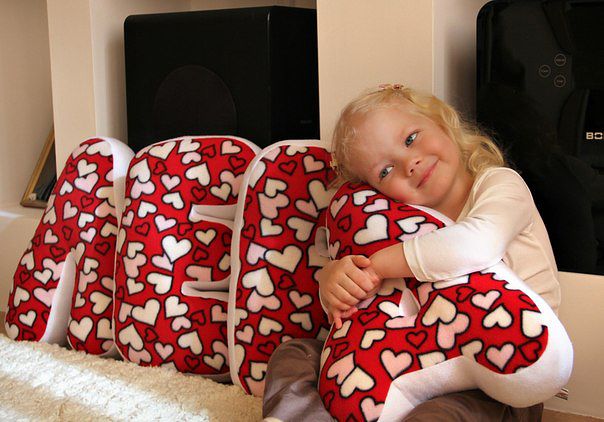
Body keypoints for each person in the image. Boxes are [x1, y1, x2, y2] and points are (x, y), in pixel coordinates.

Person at [262, 84, 558, 421]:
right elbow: (359, 297)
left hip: (502, 359)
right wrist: (332, 281)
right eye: (385, 171)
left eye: (410, 139)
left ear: (442, 122)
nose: (409, 164)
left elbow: (476, 244)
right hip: (410, 348)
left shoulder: (500, 185)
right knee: (295, 353)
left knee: (447, 412)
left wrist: (377, 266)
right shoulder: (392, 221)